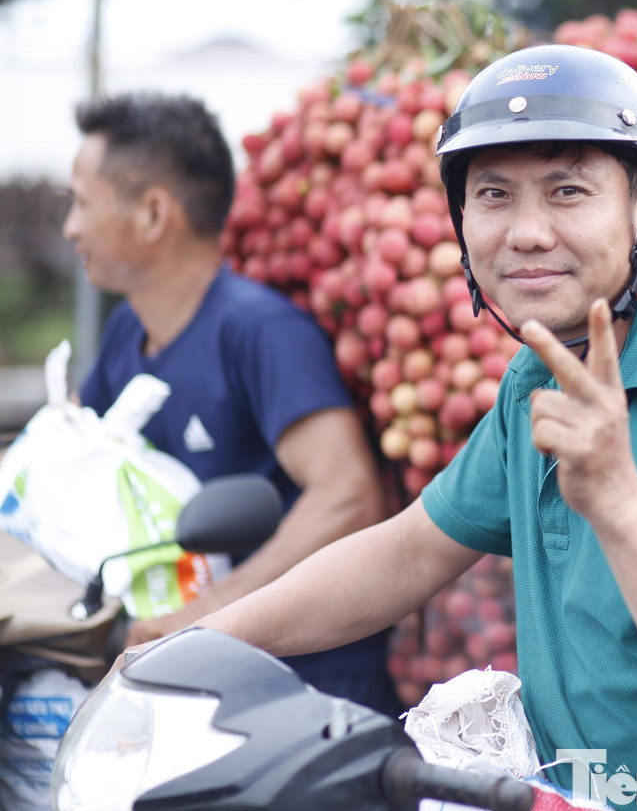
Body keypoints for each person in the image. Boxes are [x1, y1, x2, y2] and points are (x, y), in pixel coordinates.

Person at [174, 46, 637, 809]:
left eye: (568, 191)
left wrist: (617, 501)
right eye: (494, 195)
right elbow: (411, 551)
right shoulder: (544, 373)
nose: (527, 232)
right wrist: (208, 642)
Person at [66, 92, 399, 715]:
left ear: (153, 214)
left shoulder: (259, 330)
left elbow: (348, 495)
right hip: (186, 674)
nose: (71, 228)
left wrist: (217, 609)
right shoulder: (124, 335)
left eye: (81, 203)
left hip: (303, 692)